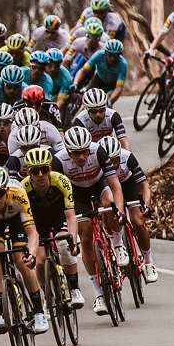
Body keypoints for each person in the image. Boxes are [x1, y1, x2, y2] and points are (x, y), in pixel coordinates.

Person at [56, 125, 126, 316]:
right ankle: (99, 294)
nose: (81, 157)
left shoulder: (98, 151)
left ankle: (117, 245)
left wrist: (119, 211)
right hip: (75, 193)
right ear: (68, 151)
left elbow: (115, 185)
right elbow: (59, 197)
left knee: (109, 203)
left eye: (84, 151)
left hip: (99, 185)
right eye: (76, 153)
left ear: (89, 148)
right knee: (85, 237)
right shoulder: (59, 160)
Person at [0, 166, 49, 334]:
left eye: (0, 193)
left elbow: (32, 232)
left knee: (20, 259)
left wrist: (31, 254)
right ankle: (2, 311)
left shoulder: (18, 194)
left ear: (7, 190)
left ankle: (39, 311)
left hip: (16, 220)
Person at [20, 146, 84, 309]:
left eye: (44, 169)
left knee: (64, 244)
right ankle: (47, 294)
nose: (40, 174)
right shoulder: (23, 188)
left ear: (50, 168)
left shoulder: (61, 181)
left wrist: (73, 241)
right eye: (35, 171)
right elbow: (25, 222)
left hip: (58, 216)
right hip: (36, 221)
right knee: (40, 261)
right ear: (28, 172)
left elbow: (70, 216)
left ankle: (74, 288)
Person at [97, 136, 157, 282]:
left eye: (115, 161)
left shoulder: (127, 157)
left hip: (128, 185)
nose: (111, 165)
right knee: (110, 209)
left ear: (119, 155)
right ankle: (116, 246)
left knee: (138, 221)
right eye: (108, 162)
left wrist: (145, 205)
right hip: (109, 187)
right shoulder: (95, 162)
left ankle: (149, 262)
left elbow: (144, 185)